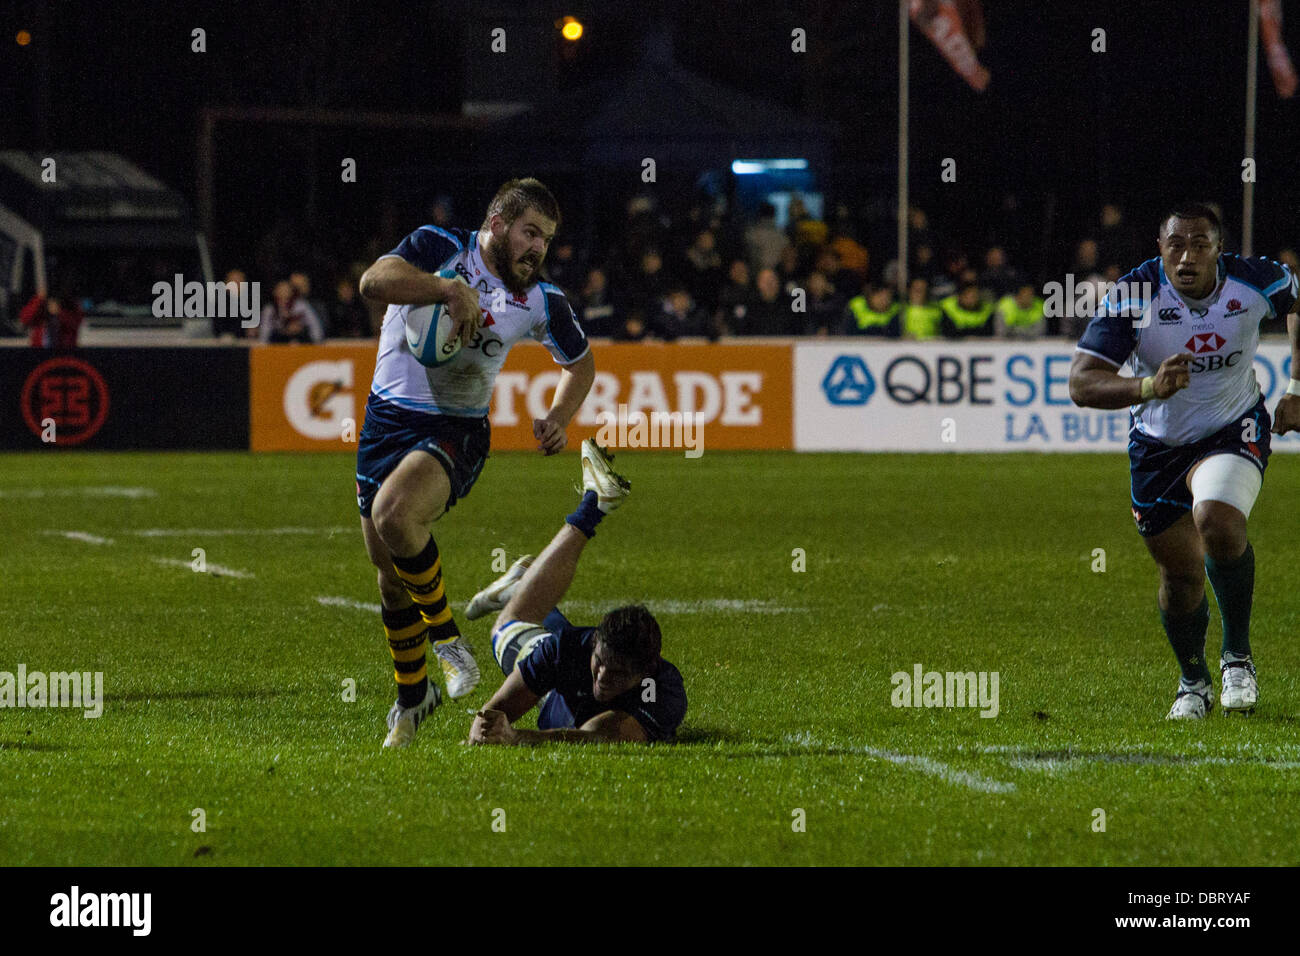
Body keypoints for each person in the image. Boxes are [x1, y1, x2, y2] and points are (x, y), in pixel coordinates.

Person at [356, 177, 596, 748]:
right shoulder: (441, 246)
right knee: (391, 580)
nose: (538, 248)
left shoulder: (541, 300)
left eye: (547, 239)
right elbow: (373, 282)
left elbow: (581, 365)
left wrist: (559, 417)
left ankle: (450, 644)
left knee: (395, 515)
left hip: (456, 431)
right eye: (529, 232)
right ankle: (414, 696)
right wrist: (445, 290)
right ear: (496, 225)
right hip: (385, 422)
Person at [1069, 204, 1300, 719]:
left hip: (1233, 427)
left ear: (1220, 249)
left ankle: (1237, 658)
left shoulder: (1255, 281)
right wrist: (1147, 386)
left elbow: (1297, 299)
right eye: (1176, 244)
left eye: (1200, 244)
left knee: (1216, 519)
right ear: (1160, 249)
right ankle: (1193, 681)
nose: (1187, 255)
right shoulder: (1134, 295)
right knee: (1180, 578)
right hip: (1157, 446)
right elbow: (1082, 384)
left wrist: (1296, 388)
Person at [465, 440, 687, 745]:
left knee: (514, 623)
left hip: (559, 692)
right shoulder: (568, 649)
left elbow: (599, 736)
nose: (603, 676)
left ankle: (525, 579)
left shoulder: (663, 690)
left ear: (647, 670)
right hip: (562, 662)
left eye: (619, 673)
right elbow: (491, 714)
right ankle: (591, 506)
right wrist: (485, 728)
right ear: (595, 640)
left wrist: (517, 737)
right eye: (600, 661)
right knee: (505, 629)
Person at [19, 278, 83, 348]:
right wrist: (39, 300)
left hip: (64, 352)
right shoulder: (41, 303)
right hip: (39, 350)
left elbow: (75, 323)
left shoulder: (72, 305)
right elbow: (25, 319)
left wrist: (59, 313)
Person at [258, 279, 325, 343]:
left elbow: (314, 324)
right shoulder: (270, 309)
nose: (283, 292)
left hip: (300, 339)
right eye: (281, 289)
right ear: (275, 291)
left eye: (286, 290)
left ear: (292, 291)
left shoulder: (301, 305)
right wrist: (263, 343)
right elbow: (265, 329)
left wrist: (317, 340)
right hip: (279, 340)